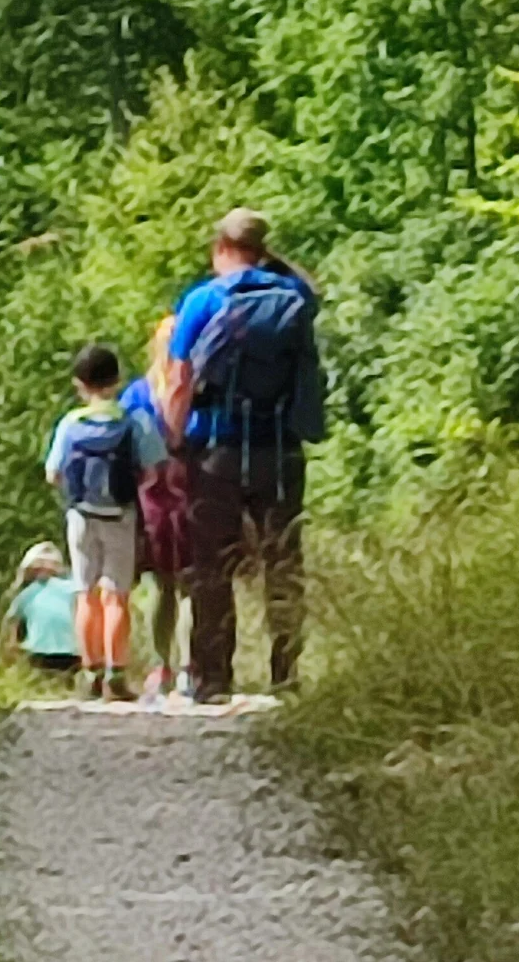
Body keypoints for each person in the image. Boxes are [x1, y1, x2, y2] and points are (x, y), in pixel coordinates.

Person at [167, 208, 324, 704]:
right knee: (283, 561)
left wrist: (174, 441)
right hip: (279, 449)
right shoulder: (295, 297)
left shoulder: (204, 299)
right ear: (261, 249)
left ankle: (213, 678)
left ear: (220, 249)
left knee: (212, 565)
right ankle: (285, 672)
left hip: (216, 448)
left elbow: (178, 382)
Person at [45, 341, 167, 701]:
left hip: (81, 516)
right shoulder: (134, 420)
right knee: (117, 596)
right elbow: (153, 467)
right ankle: (116, 674)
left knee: (86, 594)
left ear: (78, 384)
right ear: (117, 380)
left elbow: (53, 473)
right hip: (120, 515)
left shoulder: (70, 423)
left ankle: (90, 672)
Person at [120, 313, 191, 701]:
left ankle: (160, 665)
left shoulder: (136, 394)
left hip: (150, 496)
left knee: (160, 586)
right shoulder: (198, 389)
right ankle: (190, 668)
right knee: (192, 584)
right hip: (192, 489)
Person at [2, 541, 81, 675]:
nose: (44, 567)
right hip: (39, 649)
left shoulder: (69, 588)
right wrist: (13, 641)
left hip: (71, 649)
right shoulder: (29, 593)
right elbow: (14, 617)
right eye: (39, 563)